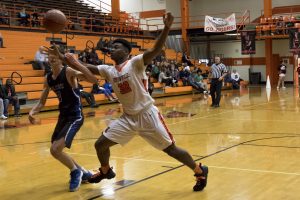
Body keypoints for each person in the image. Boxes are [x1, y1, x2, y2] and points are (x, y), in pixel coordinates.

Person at [72, 13, 208, 192]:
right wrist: (65, 59)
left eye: (117, 46)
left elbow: (155, 50)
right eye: (111, 47)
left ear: (127, 52)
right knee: (100, 144)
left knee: (171, 150)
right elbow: (87, 68)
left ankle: (199, 171)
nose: (112, 49)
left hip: (147, 114)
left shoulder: (135, 63)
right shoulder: (108, 70)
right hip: (128, 118)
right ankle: (105, 170)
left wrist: (167, 28)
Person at [28, 46, 98, 192]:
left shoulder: (68, 71)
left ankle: (75, 171)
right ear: (47, 59)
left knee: (55, 149)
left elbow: (93, 79)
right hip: (63, 117)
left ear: (60, 59)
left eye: (55, 55)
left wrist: (77, 63)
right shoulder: (48, 79)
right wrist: (32, 112)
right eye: (49, 55)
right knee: (55, 150)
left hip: (75, 116)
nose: (52, 57)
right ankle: (83, 172)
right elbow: (41, 102)